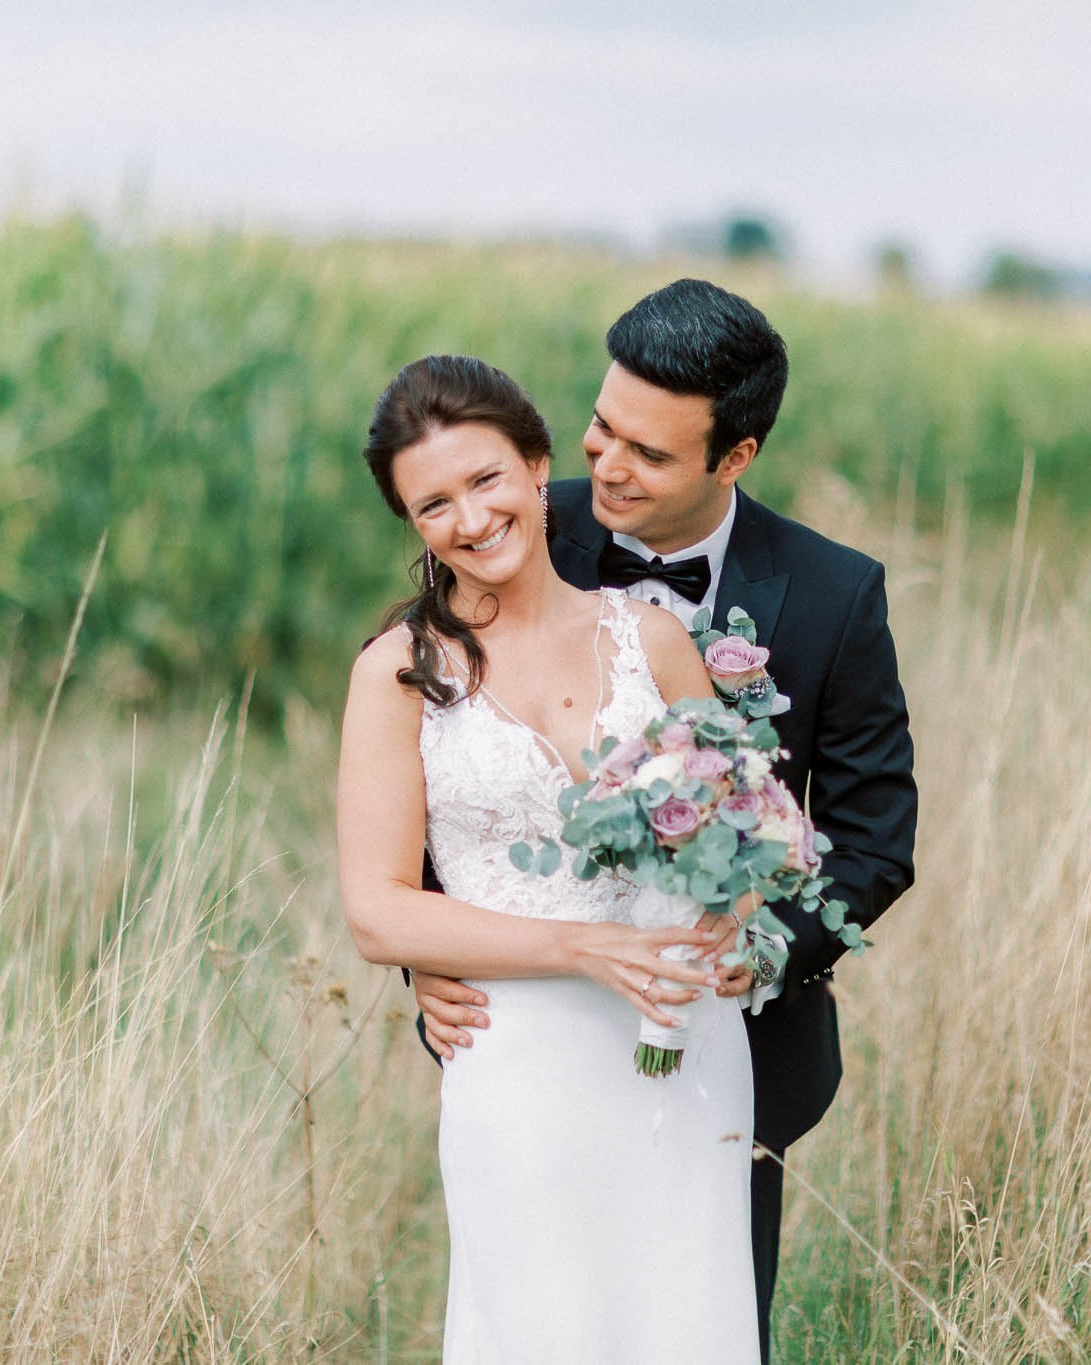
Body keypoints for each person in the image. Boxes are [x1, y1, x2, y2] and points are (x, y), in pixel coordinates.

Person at [412, 280, 920, 1361]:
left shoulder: (833, 595)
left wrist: (766, 943)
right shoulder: (508, 531)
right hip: (529, 1038)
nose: (605, 465)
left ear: (732, 458)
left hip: (729, 1045)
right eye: (600, 427)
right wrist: (430, 947)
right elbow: (436, 746)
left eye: (647, 452)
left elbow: (875, 836)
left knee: (699, 1324)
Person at [338, 354, 763, 1361]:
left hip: (680, 1040)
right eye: (431, 503)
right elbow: (377, 911)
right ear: (411, 524)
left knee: (683, 1322)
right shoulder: (398, 674)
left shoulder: (654, 642)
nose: (470, 518)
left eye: (484, 480)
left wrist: (733, 917)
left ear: (536, 469)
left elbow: (740, 845)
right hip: (518, 1056)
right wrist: (579, 946)